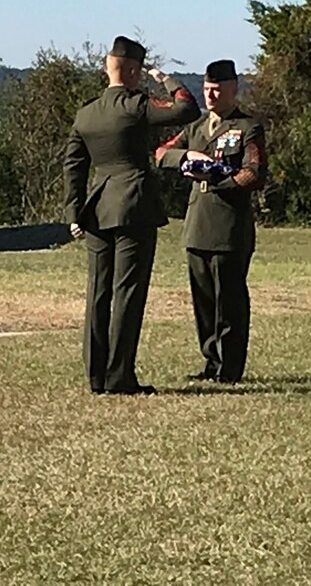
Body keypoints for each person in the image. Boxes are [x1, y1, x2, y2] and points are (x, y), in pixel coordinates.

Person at [63, 36, 200, 395]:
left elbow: (74, 166)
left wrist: (74, 210)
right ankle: (120, 375)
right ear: (135, 71)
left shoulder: (87, 112)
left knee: (98, 293)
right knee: (127, 293)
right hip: (133, 206)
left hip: (97, 208)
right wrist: (165, 78)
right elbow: (186, 109)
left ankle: (96, 375)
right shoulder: (136, 105)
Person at [156, 59, 268, 383]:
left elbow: (255, 172)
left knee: (229, 301)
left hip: (229, 224)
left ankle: (231, 367)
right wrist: (189, 158)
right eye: (206, 89)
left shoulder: (247, 127)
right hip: (197, 224)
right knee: (203, 301)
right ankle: (211, 362)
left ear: (233, 89)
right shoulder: (195, 129)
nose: (210, 96)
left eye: (217, 90)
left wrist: (221, 176)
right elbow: (161, 154)